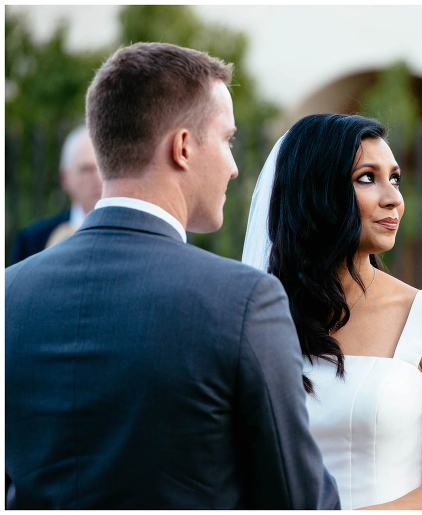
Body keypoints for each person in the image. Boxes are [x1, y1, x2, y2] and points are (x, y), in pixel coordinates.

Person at [5, 42, 339, 510]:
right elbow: (298, 499)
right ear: (183, 147)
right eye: (227, 140)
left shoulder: (9, 294)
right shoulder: (243, 300)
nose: (234, 165)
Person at [242, 113, 422, 510]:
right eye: (367, 177)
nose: (394, 198)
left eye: (395, 178)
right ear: (317, 189)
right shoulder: (259, 316)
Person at [10, 126, 102, 264]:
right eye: (86, 170)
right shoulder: (32, 243)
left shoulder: (134, 237)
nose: (98, 178)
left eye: (102, 168)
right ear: (65, 178)